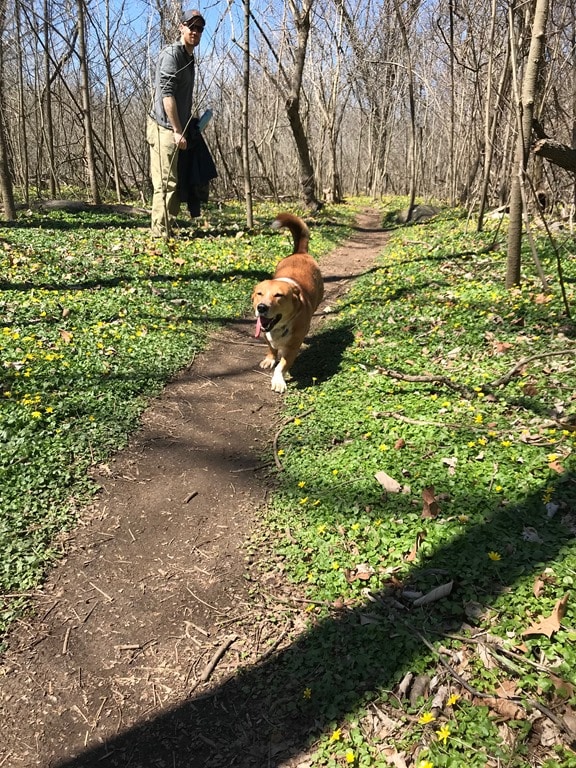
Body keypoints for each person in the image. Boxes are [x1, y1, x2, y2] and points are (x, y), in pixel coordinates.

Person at [147, 9, 207, 237]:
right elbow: (167, 95)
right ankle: (159, 233)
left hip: (178, 127)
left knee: (177, 180)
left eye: (199, 28)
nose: (195, 31)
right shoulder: (172, 55)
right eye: (191, 26)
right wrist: (176, 130)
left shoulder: (189, 57)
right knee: (166, 182)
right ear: (181, 27)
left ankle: (168, 227)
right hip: (164, 127)